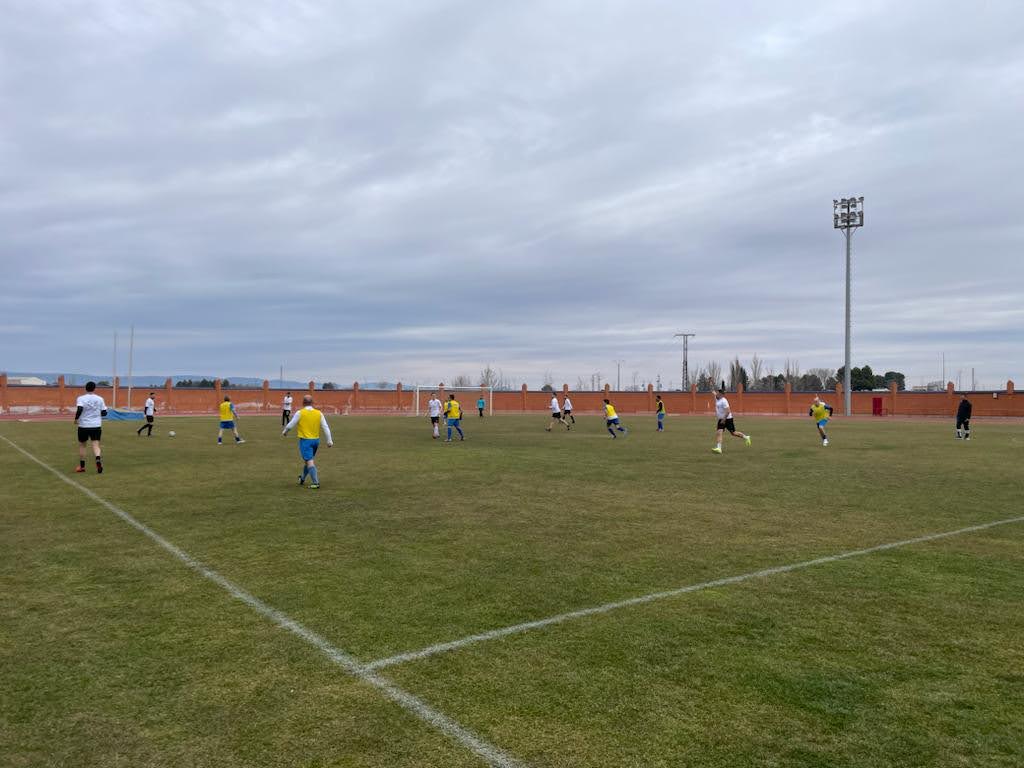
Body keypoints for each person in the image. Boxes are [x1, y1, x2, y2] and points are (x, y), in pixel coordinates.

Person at [282, 394, 333, 489]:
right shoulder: (319, 413)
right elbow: (325, 427)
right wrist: (329, 440)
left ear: (303, 403)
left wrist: (285, 432)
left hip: (306, 441)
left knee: (309, 461)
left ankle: (315, 483)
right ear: (313, 403)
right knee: (308, 460)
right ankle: (302, 478)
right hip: (316, 441)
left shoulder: (300, 413)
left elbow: (290, 425)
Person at [74, 381, 107, 473]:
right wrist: (95, 413)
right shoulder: (100, 399)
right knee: (96, 445)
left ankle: (82, 467)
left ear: (85, 388)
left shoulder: (81, 398)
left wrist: (76, 419)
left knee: (82, 445)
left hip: (84, 425)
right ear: (94, 388)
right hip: (96, 425)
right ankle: (98, 460)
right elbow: (104, 413)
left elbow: (80, 409)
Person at [711, 389, 751, 453]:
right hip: (721, 419)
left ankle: (746, 437)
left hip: (728, 419)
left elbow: (728, 411)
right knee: (719, 432)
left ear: (721, 395)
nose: (716, 394)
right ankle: (719, 448)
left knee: (733, 433)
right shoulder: (717, 397)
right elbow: (713, 392)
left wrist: (724, 420)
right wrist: (710, 382)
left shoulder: (724, 401)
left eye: (717, 393)